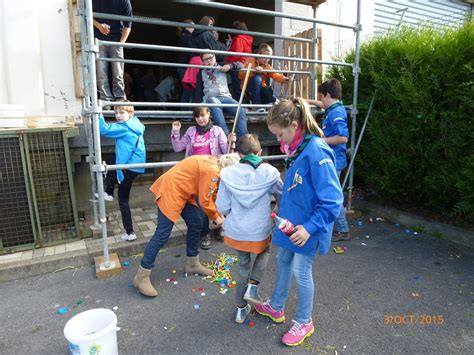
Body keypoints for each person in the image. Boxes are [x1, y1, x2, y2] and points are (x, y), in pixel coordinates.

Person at [254, 97, 343, 347]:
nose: (279, 140)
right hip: (292, 223)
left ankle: (305, 320)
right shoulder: (298, 146)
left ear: (294, 125)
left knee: (301, 272)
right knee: (283, 261)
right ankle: (277, 306)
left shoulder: (316, 149)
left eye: (280, 134)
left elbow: (333, 200)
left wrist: (310, 228)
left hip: (306, 227)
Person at [133, 154, 240, 297]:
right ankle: (142, 276)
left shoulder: (216, 166)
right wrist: (218, 219)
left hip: (185, 192)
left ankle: (192, 263)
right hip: (172, 190)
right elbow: (205, 202)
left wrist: (219, 215)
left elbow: (210, 196)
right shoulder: (213, 172)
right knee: (162, 234)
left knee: (196, 224)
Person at [216, 134, 282, 324]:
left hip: (236, 231)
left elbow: (222, 207)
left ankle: (240, 309)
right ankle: (253, 286)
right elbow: (282, 195)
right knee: (265, 251)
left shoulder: (228, 174)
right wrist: (276, 210)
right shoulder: (270, 172)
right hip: (260, 230)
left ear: (238, 153)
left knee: (243, 264)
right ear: (259, 152)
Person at [171, 106, 232, 249]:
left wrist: (230, 142)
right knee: (201, 204)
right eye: (197, 116)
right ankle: (205, 233)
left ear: (209, 115)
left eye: (203, 115)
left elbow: (226, 152)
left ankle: (221, 227)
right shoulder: (191, 131)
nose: (201, 119)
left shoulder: (217, 130)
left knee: (218, 201)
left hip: (213, 172)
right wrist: (175, 131)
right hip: (195, 174)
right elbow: (177, 148)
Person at [307, 79, 350, 241]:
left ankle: (343, 230)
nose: (321, 100)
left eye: (321, 96)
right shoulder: (334, 107)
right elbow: (324, 104)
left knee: (333, 196)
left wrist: (318, 141)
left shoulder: (336, 113)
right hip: (332, 160)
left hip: (334, 161)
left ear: (328, 95)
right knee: (331, 194)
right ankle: (338, 227)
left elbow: (343, 138)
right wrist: (309, 101)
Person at [98, 101, 146, 241]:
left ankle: (130, 232)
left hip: (128, 166)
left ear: (130, 113)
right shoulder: (136, 125)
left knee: (123, 200)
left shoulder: (124, 128)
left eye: (121, 113)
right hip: (135, 165)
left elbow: (104, 129)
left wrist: (99, 112)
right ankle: (109, 191)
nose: (118, 116)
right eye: (116, 113)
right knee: (113, 162)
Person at [193, 51, 248, 138]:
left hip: (226, 98)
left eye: (210, 58)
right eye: (206, 59)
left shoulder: (222, 66)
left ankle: (243, 138)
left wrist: (230, 66)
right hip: (212, 99)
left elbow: (241, 64)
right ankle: (225, 137)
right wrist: (196, 108)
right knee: (213, 102)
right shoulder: (201, 72)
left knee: (240, 109)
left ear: (214, 57)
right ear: (203, 61)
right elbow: (198, 92)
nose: (209, 61)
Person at [93, 0, 132, 102]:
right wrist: (99, 26)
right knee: (101, 72)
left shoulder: (124, 1)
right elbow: (87, 14)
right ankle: (105, 99)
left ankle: (119, 98)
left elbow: (128, 25)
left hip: (117, 39)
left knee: (118, 71)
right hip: (99, 40)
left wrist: (120, 44)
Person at [240, 43, 290, 109]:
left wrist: (284, 78)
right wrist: (253, 71)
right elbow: (241, 75)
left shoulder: (267, 66)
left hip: (261, 90)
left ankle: (270, 106)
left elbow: (275, 75)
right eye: (264, 57)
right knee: (257, 79)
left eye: (268, 58)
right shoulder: (250, 60)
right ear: (258, 55)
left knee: (270, 91)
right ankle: (256, 107)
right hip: (248, 90)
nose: (266, 60)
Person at [225, 21, 253, 100]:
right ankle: (245, 106)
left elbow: (237, 54)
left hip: (237, 65)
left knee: (237, 88)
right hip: (245, 64)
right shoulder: (248, 39)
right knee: (242, 87)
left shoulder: (239, 38)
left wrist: (229, 63)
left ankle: (239, 107)